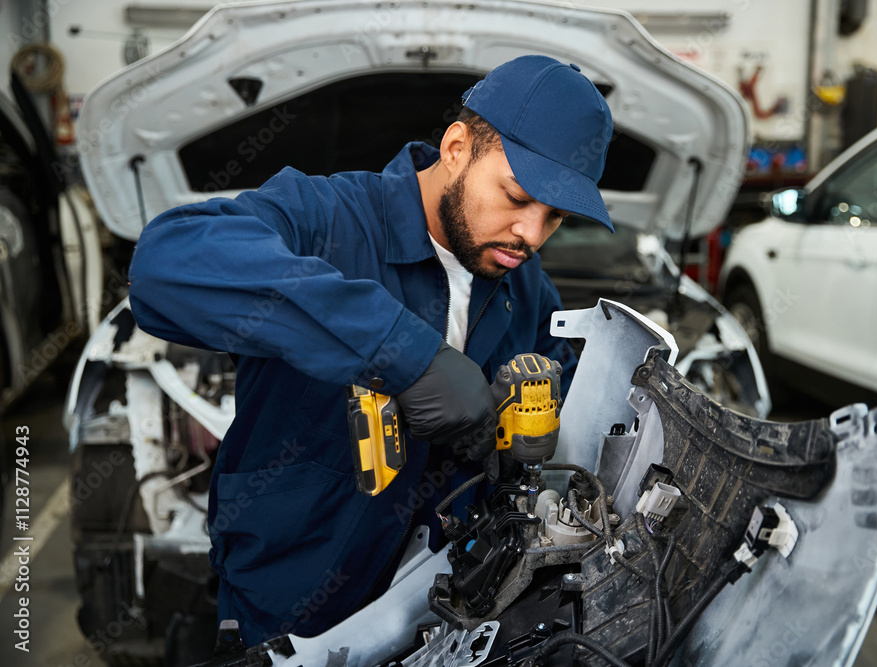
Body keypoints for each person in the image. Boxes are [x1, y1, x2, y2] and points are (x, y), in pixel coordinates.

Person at [127, 54, 615, 646]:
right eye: (516, 197)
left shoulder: (523, 287)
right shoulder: (325, 219)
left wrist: (530, 415)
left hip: (444, 614)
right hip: (289, 614)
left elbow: (563, 379)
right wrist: (404, 355)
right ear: (457, 147)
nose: (532, 235)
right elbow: (165, 264)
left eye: (555, 217)